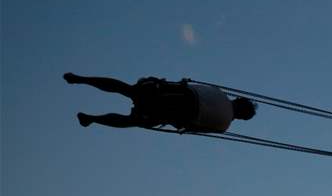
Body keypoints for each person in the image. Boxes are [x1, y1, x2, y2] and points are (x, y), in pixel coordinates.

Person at [63, 73, 257, 133]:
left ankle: (81, 79)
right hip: (172, 114)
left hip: (170, 94)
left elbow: (192, 86)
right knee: (130, 121)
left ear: (237, 100)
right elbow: (193, 128)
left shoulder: (220, 93)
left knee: (127, 90)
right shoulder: (223, 126)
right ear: (240, 118)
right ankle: (92, 119)